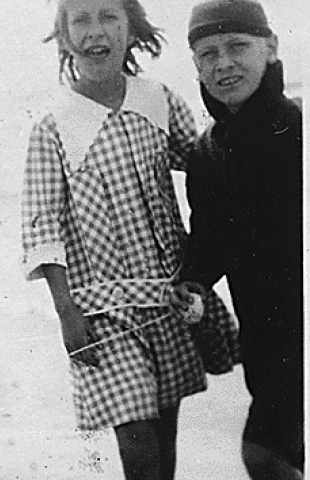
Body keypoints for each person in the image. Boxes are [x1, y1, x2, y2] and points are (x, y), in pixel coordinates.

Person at [21, 0, 238, 478]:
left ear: (130, 28)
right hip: (101, 311)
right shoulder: (54, 126)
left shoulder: (156, 100)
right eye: (81, 19)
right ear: (64, 36)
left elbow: (209, 167)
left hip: (166, 296)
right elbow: (41, 224)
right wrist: (65, 312)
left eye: (108, 16)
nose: (95, 30)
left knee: (165, 428)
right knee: (135, 436)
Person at [172, 0, 304, 478]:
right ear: (196, 66)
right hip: (265, 343)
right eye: (208, 54)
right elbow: (210, 240)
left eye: (237, 47)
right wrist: (192, 281)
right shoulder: (206, 154)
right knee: (266, 457)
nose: (223, 63)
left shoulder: (300, 131)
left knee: (264, 454)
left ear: (270, 48)